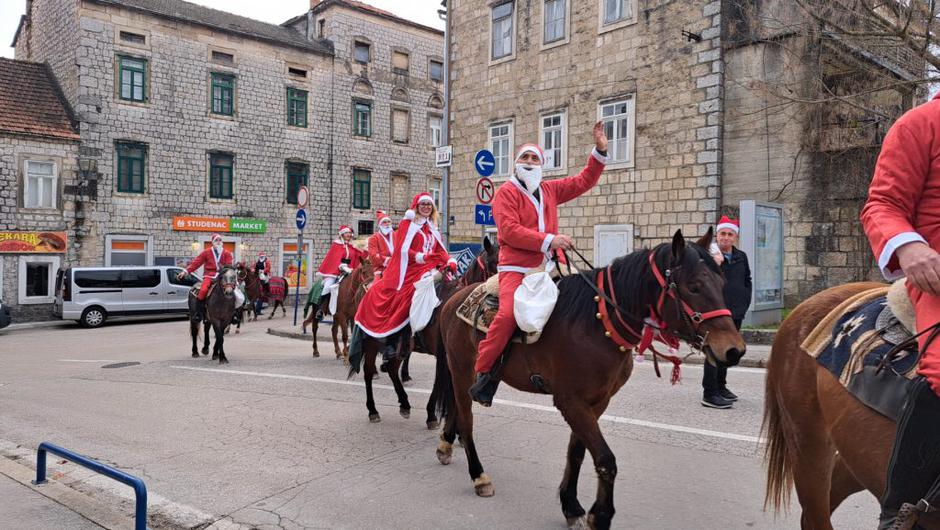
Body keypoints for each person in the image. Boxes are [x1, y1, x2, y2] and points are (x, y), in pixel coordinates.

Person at [469, 122, 610, 406]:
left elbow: (583, 180)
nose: (530, 162)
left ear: (542, 164)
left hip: (551, 266)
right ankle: (485, 371)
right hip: (517, 269)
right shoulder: (505, 194)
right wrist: (549, 240)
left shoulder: (550, 190)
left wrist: (600, 150)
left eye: (535, 158)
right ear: (516, 164)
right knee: (508, 315)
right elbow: (508, 231)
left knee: (587, 299)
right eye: (525, 158)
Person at [861, 93, 940, 529]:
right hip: (936, 275)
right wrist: (910, 247)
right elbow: (883, 204)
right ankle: (901, 512)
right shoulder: (919, 123)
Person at [354, 193, 457, 356]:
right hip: (408, 269)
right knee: (407, 296)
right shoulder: (407, 224)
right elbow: (402, 249)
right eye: (423, 204)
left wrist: (450, 260)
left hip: (429, 266)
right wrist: (420, 257)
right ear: (416, 206)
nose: (426, 207)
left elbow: (439, 250)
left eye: (429, 205)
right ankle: (395, 340)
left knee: (453, 285)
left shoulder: (431, 227)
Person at [701, 216, 751, 409]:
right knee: (714, 350)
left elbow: (747, 279)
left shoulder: (741, 256)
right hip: (716, 314)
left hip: (735, 312)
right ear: (717, 236)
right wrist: (717, 263)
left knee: (729, 351)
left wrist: (745, 301)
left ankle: (721, 387)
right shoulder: (709, 257)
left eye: (730, 234)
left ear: (735, 238)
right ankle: (709, 392)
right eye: (722, 234)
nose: (725, 238)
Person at [178, 234, 234, 318]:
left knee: (235, 291)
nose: (218, 242)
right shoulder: (206, 252)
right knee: (203, 290)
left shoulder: (227, 253)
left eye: (220, 240)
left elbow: (229, 265)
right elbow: (196, 263)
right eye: (216, 240)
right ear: (213, 242)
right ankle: (198, 313)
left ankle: (235, 314)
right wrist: (185, 271)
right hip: (209, 276)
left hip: (223, 276)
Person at [316, 225, 363, 319]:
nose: (348, 235)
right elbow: (334, 259)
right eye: (346, 233)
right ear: (342, 234)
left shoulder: (352, 246)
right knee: (328, 287)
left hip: (350, 270)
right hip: (335, 271)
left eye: (349, 233)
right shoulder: (336, 245)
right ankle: (320, 309)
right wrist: (341, 266)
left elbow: (358, 257)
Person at [367, 210, 395, 279]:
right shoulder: (373, 238)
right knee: (376, 288)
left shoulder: (396, 235)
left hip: (398, 266)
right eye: (384, 222)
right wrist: (388, 260)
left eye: (389, 222)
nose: (387, 224)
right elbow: (373, 256)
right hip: (381, 268)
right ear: (380, 225)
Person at [253, 251, 271, 316]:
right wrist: (253, 269)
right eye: (260, 256)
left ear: (264, 256)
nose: (261, 257)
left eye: (262, 256)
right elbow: (254, 266)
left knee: (265, 280)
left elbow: (268, 268)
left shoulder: (267, 261)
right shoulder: (258, 261)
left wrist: (263, 271)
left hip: (265, 274)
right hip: (258, 274)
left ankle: (267, 291)